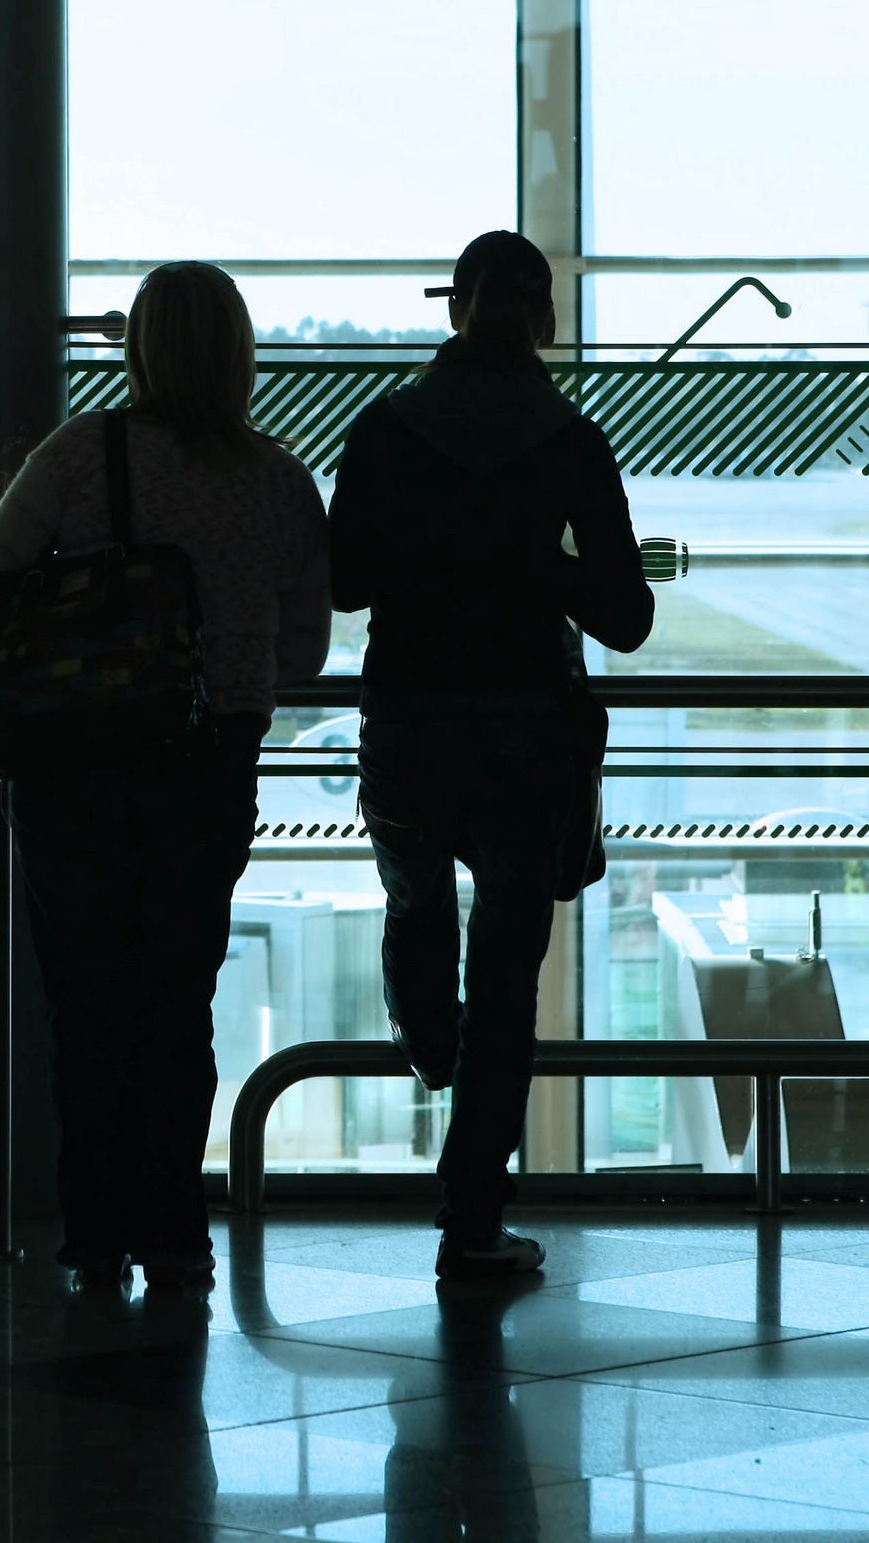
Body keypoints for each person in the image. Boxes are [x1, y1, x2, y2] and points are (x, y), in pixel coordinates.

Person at [0, 260, 328, 1291]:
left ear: (139, 348)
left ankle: (92, 1238)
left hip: (74, 760)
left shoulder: (80, 453)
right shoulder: (276, 477)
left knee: (85, 1000)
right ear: (241, 353)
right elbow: (303, 651)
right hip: (209, 761)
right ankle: (172, 1228)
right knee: (176, 994)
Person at [329, 231, 653, 1279]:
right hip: (524, 729)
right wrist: (537, 570)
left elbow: (342, 585)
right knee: (508, 976)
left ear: (455, 308)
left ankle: (431, 1041)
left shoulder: (384, 430)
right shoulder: (570, 440)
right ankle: (472, 1219)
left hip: (409, 719)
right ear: (545, 319)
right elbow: (627, 616)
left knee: (415, 904)